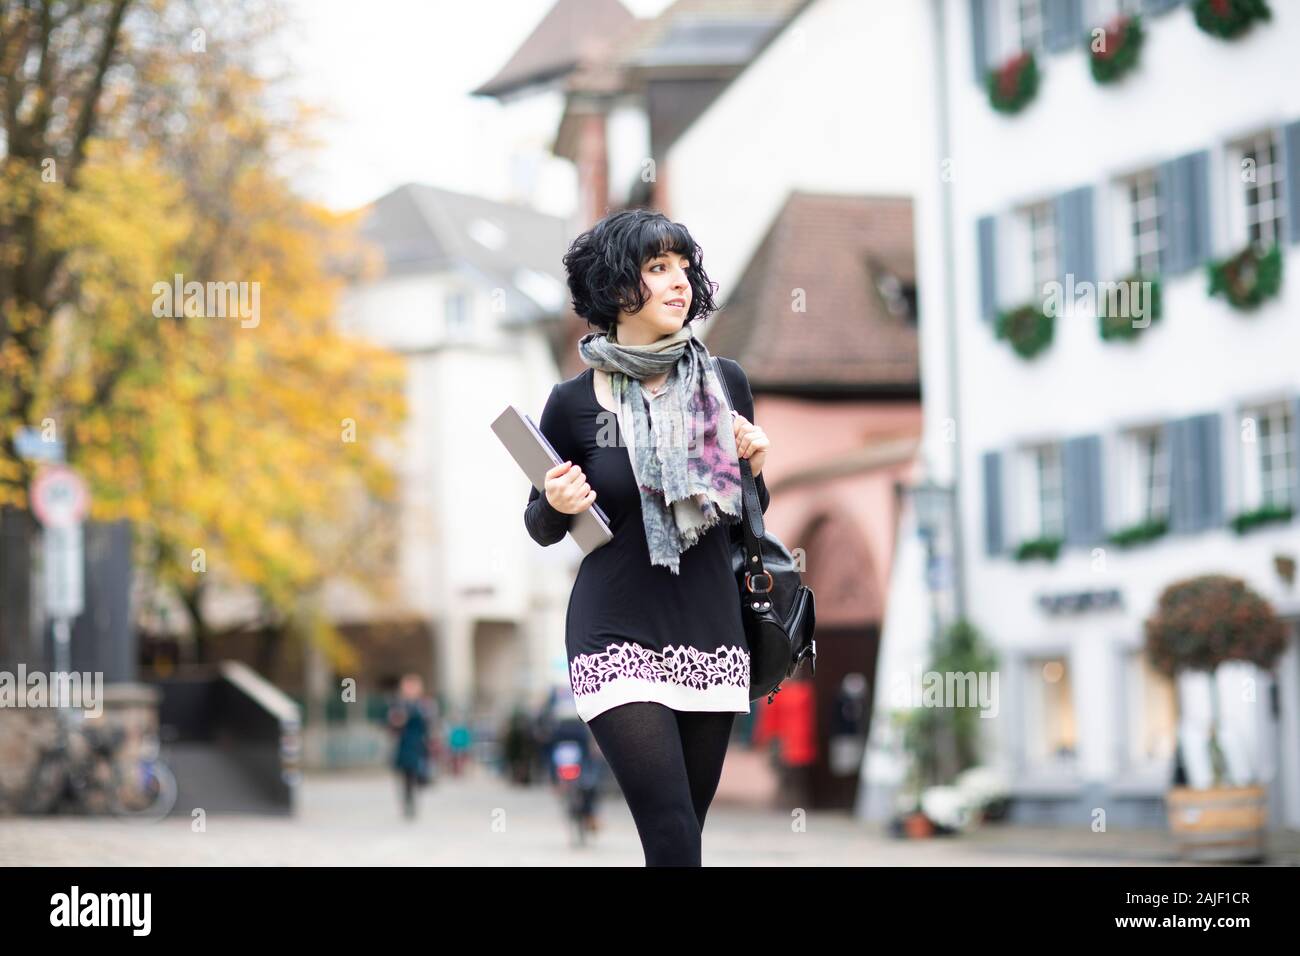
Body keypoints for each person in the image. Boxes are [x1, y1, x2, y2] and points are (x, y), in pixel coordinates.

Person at [523, 208, 773, 866]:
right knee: (667, 827)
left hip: (710, 631)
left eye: (684, 267)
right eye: (657, 267)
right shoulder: (573, 403)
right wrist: (555, 499)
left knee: (681, 833)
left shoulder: (725, 385)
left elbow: (747, 523)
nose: (678, 282)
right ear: (614, 287)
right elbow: (543, 527)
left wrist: (753, 468)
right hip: (614, 633)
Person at [388, 674, 434, 820]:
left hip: (419, 744)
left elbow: (429, 724)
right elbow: (393, 724)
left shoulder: (424, 704)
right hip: (405, 743)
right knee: (406, 775)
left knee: (418, 773)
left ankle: (413, 798)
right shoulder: (399, 704)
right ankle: (409, 802)